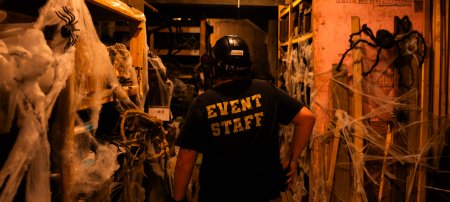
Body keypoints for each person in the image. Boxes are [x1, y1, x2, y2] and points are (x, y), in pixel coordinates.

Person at [172, 35, 315, 202]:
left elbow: (184, 159)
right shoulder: (267, 91)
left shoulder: (203, 103)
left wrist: (178, 199)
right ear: (248, 64)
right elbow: (307, 118)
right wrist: (292, 158)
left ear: (213, 68)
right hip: (266, 195)